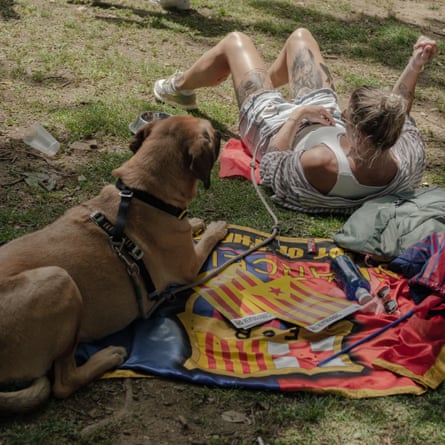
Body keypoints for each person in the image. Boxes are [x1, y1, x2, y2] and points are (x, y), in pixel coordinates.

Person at [153, 29, 438, 213]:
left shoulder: (321, 163)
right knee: (300, 37)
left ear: (360, 134)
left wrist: (296, 116)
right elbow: (399, 106)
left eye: (347, 118)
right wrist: (415, 65)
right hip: (319, 118)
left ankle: (179, 87)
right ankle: (263, 82)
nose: (343, 115)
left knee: (235, 41)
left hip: (276, 126)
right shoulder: (406, 156)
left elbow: (273, 165)